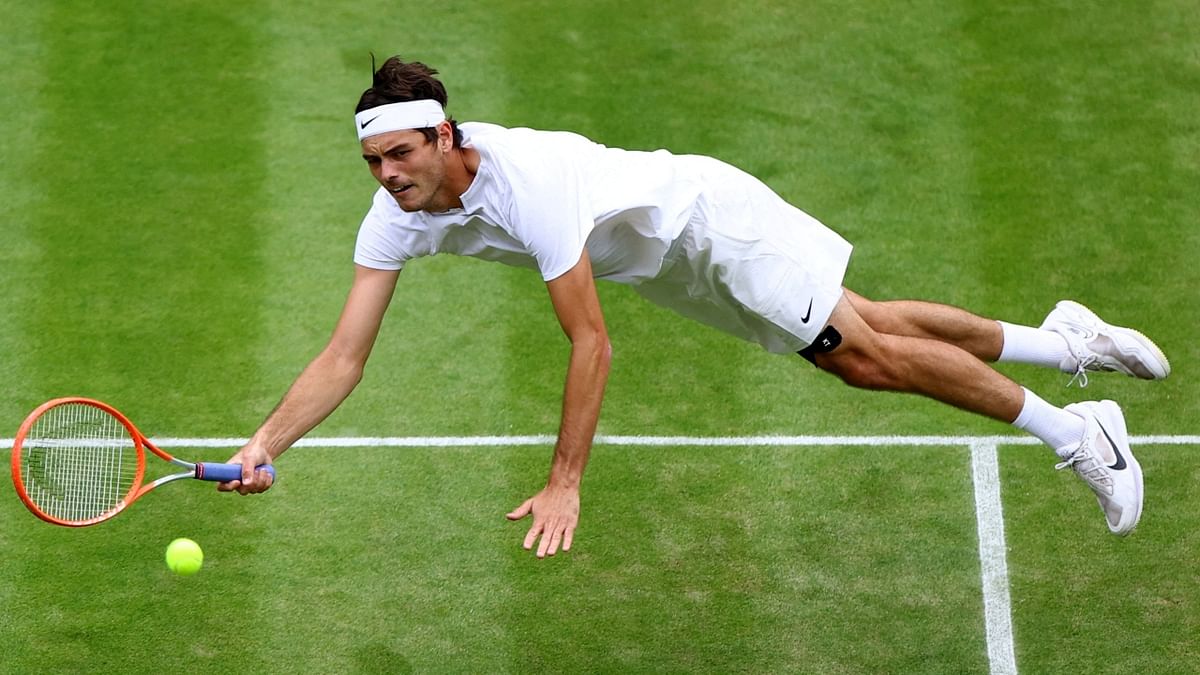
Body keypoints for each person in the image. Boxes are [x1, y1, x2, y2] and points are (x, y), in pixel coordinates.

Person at [219, 56, 1171, 557]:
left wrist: (566, 478)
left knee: (858, 353)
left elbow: (589, 344)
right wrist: (267, 441)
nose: (387, 180)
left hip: (710, 222)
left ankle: (1078, 432)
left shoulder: (531, 185)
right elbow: (345, 355)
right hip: (664, 264)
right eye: (373, 165)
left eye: (400, 157)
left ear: (444, 134)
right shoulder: (395, 218)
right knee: (865, 317)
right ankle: (1066, 341)